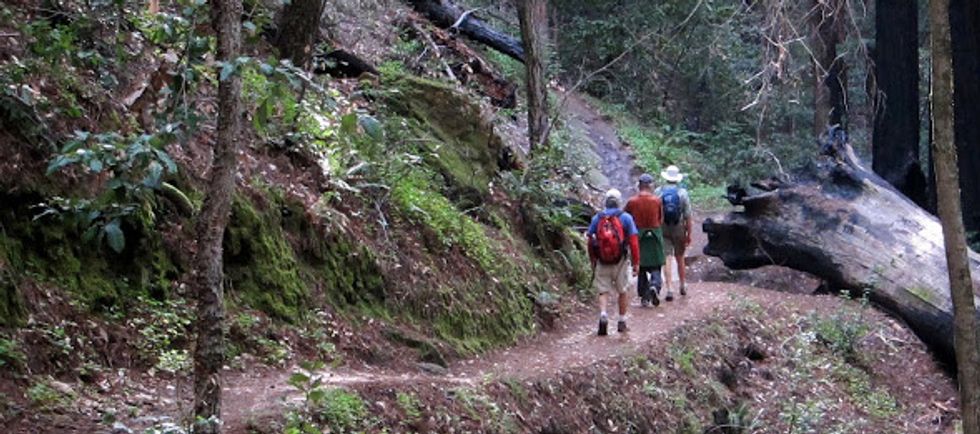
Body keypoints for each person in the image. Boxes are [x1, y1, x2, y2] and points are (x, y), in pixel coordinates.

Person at [587, 189, 640, 335]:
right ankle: (621, 320)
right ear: (619, 202)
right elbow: (634, 242)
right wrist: (636, 263)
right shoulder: (626, 218)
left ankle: (603, 314)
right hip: (621, 261)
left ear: (605, 201)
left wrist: (593, 259)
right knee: (623, 290)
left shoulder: (597, 218)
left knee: (603, 290)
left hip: (602, 261)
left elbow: (590, 240)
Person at [624, 173, 665, 307]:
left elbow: (626, 218)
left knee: (641, 266)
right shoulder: (657, 201)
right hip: (654, 234)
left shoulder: (632, 202)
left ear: (639, 185)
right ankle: (654, 285)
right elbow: (661, 219)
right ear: (651, 185)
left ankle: (644, 297)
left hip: (638, 234)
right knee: (656, 265)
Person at [656, 165, 692, 301]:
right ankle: (682, 285)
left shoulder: (659, 191)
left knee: (667, 257)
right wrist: (689, 234)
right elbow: (688, 216)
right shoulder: (683, 193)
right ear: (677, 178)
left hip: (663, 226)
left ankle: (669, 288)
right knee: (680, 256)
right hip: (679, 227)